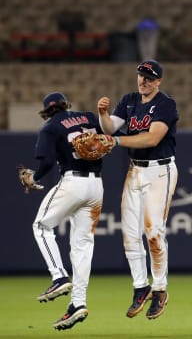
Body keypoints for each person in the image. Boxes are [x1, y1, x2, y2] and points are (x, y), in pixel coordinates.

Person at [97, 59, 178, 320]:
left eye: (149, 77)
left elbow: (152, 138)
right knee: (131, 234)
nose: (143, 81)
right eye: (141, 76)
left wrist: (115, 139)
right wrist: (103, 115)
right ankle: (140, 286)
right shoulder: (129, 99)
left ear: (158, 81)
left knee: (153, 233)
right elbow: (110, 127)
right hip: (136, 170)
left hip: (160, 170)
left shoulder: (166, 103)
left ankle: (160, 288)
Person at [28, 92, 106, 330]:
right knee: (83, 245)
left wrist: (33, 177)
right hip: (96, 186)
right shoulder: (88, 118)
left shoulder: (50, 126)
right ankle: (78, 304)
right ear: (65, 105)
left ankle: (59, 276)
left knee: (41, 226)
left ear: (46, 110)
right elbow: (108, 138)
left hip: (74, 182)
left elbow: (47, 162)